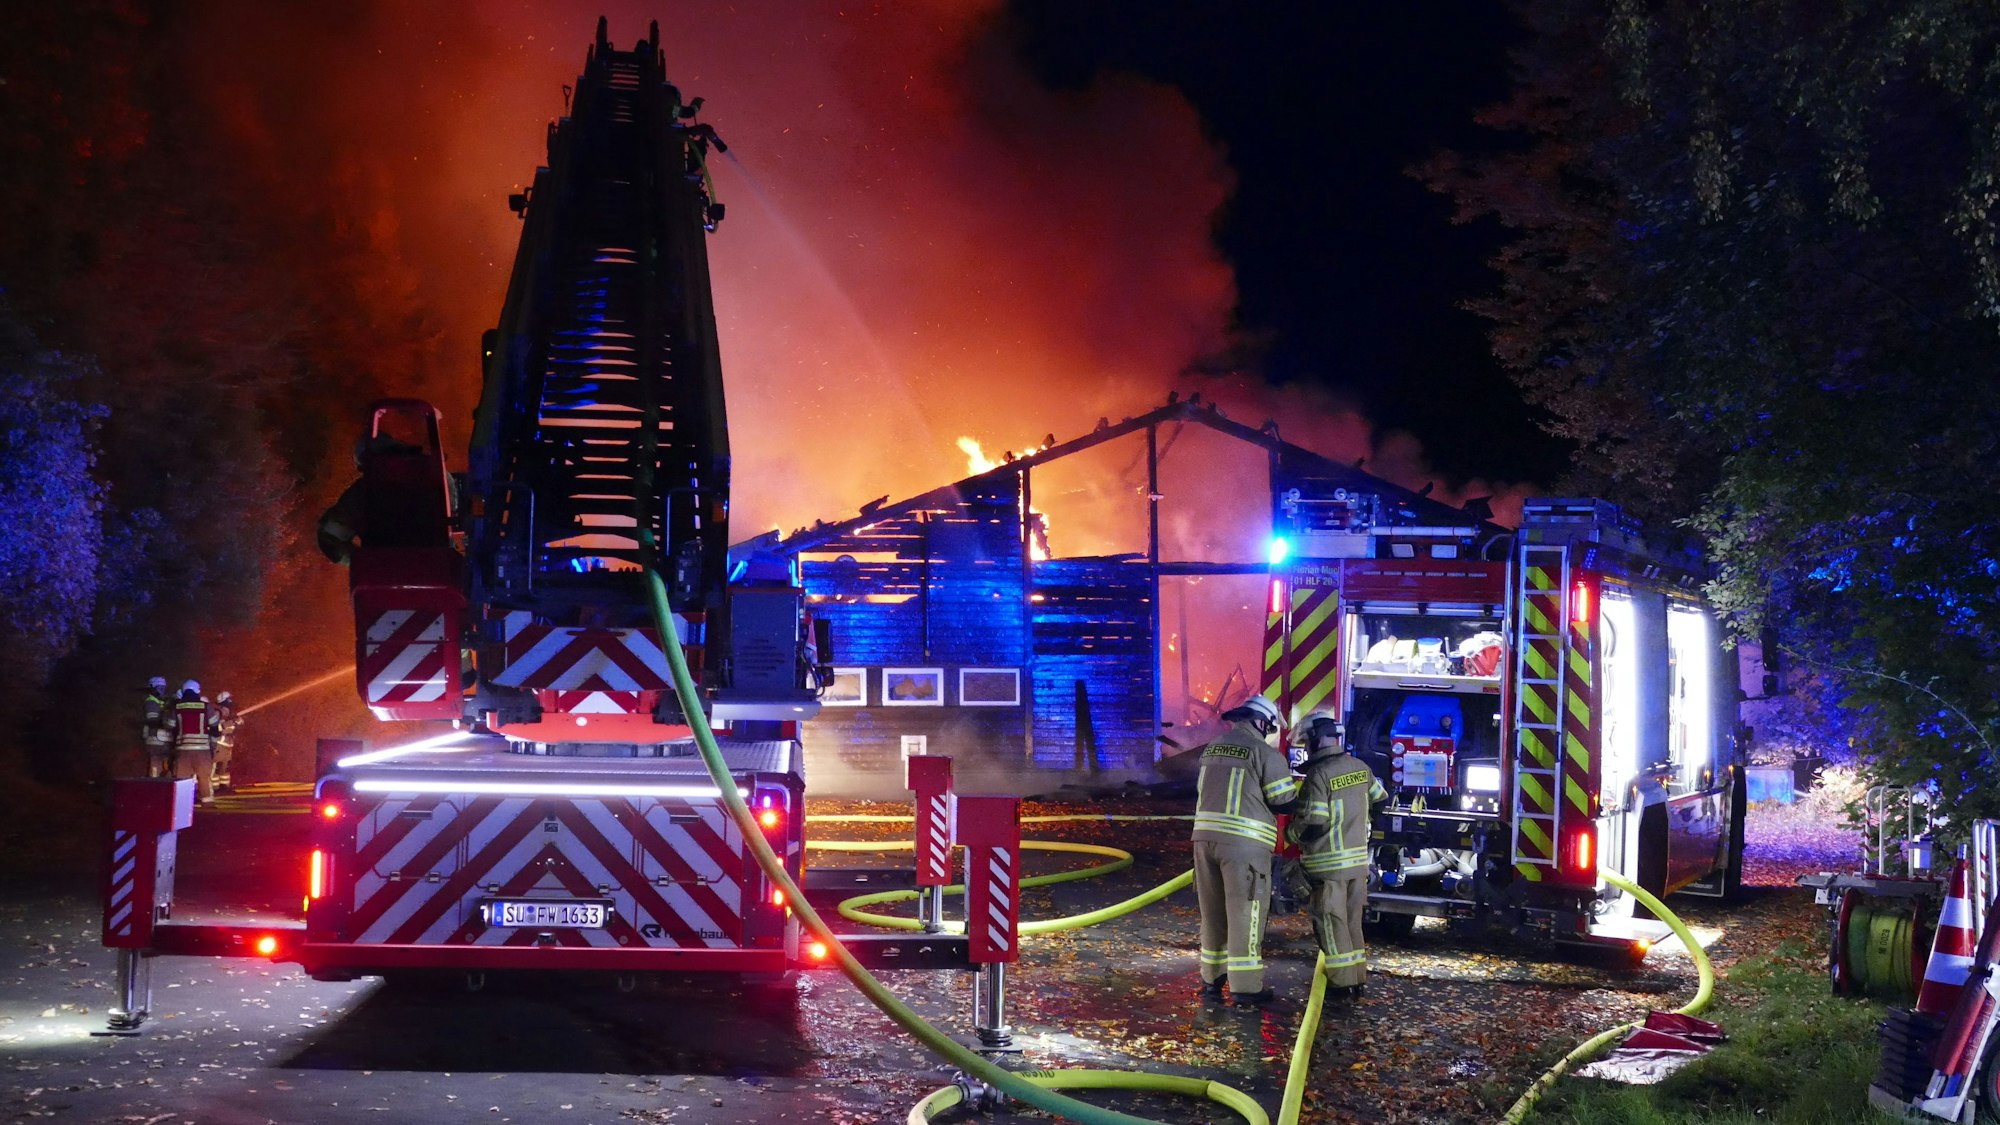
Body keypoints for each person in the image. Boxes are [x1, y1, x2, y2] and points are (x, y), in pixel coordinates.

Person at [1191, 693, 1299, 1006]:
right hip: (1243, 846)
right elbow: (1283, 801)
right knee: (1245, 913)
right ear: (1261, 722)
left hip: (1203, 841)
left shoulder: (1213, 747)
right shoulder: (1264, 753)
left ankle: (1211, 981)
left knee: (1212, 914)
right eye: (1269, 725)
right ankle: (1246, 987)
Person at [1289, 710, 1388, 1000]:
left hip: (1327, 867)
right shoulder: (1360, 767)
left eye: (1306, 743)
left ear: (1316, 743)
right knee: (1352, 923)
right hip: (1358, 865)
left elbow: (1314, 820)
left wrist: (1291, 835)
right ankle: (1356, 980)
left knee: (1332, 925)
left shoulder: (1318, 775)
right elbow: (1381, 799)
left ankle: (1342, 985)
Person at [170, 680, 218, 806]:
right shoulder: (206, 706)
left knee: (182, 779)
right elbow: (214, 726)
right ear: (197, 691)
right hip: (202, 750)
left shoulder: (177, 707)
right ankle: (207, 802)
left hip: (182, 750)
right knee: (204, 777)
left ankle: (182, 806)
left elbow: (169, 725)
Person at [142, 676, 174, 778]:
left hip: (164, 740)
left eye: (163, 688)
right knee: (155, 768)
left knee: (165, 768)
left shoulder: (163, 702)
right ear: (152, 688)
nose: (162, 690)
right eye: (159, 688)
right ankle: (154, 788)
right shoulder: (151, 701)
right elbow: (153, 721)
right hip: (154, 739)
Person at [211, 691, 242, 791]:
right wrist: (231, 722)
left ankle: (224, 787)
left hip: (228, 744)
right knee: (215, 768)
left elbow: (236, 725)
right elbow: (216, 727)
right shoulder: (218, 712)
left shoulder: (231, 713)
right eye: (229, 699)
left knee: (225, 768)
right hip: (219, 743)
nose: (231, 701)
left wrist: (238, 721)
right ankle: (213, 788)